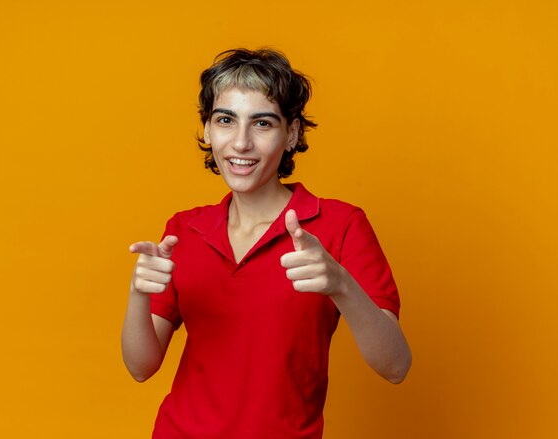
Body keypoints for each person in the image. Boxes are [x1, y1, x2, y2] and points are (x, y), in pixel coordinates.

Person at [121, 48, 412, 438]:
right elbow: (141, 367)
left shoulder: (340, 224)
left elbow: (396, 366)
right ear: (207, 129)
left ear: (291, 133)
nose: (241, 143)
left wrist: (341, 284)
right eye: (226, 120)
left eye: (262, 123)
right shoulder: (184, 229)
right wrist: (139, 293)